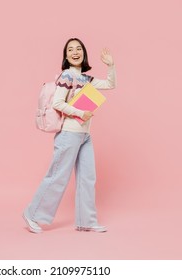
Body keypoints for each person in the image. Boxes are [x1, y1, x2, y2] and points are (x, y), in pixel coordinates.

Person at [23, 38, 116, 233]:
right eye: (71, 50)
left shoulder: (86, 78)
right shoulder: (66, 76)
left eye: (79, 49)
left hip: (84, 135)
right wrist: (81, 113)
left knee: (87, 178)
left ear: (84, 53)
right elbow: (57, 103)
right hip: (69, 133)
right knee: (58, 176)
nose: (75, 52)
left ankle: (86, 221)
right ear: (66, 56)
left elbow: (110, 84)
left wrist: (111, 65)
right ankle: (32, 214)